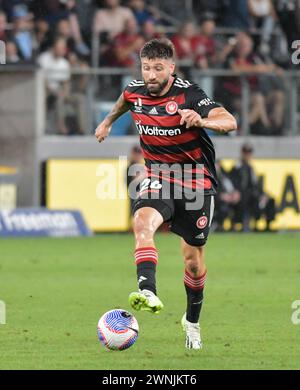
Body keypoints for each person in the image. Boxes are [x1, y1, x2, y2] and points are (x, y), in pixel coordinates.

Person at [95, 39, 237, 350]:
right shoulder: (136, 91)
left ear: (171, 68)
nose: (151, 75)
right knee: (143, 222)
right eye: (146, 68)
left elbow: (230, 121)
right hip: (159, 175)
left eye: (158, 68)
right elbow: (123, 101)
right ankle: (147, 290)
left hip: (196, 183)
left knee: (193, 263)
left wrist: (203, 121)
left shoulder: (189, 95)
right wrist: (106, 122)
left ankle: (192, 320)